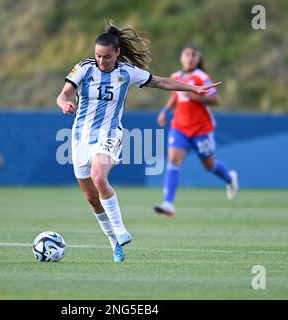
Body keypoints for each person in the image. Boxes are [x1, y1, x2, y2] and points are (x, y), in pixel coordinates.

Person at [56, 22, 221, 262]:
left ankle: (121, 230)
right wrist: (64, 104)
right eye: (98, 56)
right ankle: (114, 242)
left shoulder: (126, 72)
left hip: (110, 134)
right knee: (92, 199)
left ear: (117, 53)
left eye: (107, 57)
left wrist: (193, 88)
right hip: (80, 137)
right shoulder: (83, 68)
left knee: (99, 176)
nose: (102, 61)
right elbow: (62, 95)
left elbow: (161, 81)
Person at [153, 44, 237, 218]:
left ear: (198, 59)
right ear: (181, 58)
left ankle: (229, 178)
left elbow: (216, 99)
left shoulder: (202, 77)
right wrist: (165, 111)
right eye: (187, 54)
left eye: (193, 55)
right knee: (173, 160)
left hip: (201, 129)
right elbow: (174, 95)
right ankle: (168, 203)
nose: (190, 58)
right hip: (180, 127)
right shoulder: (175, 76)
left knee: (209, 165)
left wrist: (195, 96)